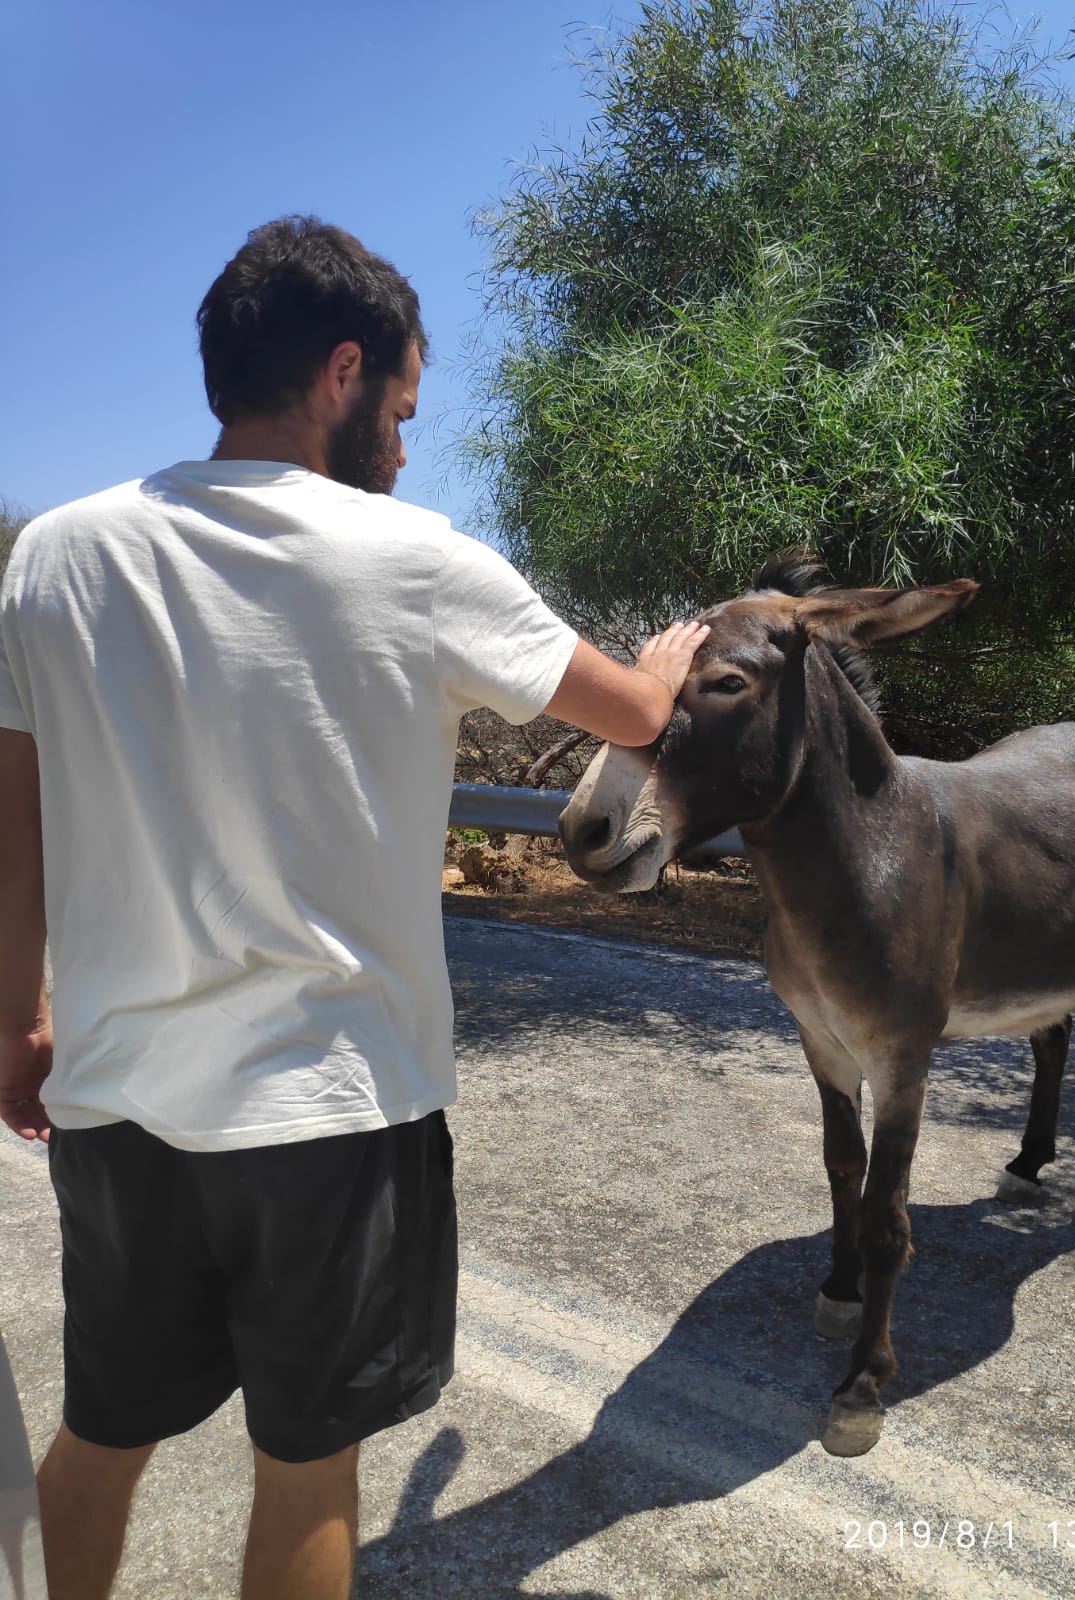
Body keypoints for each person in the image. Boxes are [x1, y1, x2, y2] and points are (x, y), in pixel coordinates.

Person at [0, 215, 709, 1600]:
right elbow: (629, 708)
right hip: (334, 1107)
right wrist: (673, 655)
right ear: (342, 371)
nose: (403, 441)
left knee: (104, 1431)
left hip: (113, 1097)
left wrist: (10, 1024)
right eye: (400, 406)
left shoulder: (55, 560)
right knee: (309, 1468)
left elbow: (13, 828)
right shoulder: (417, 557)